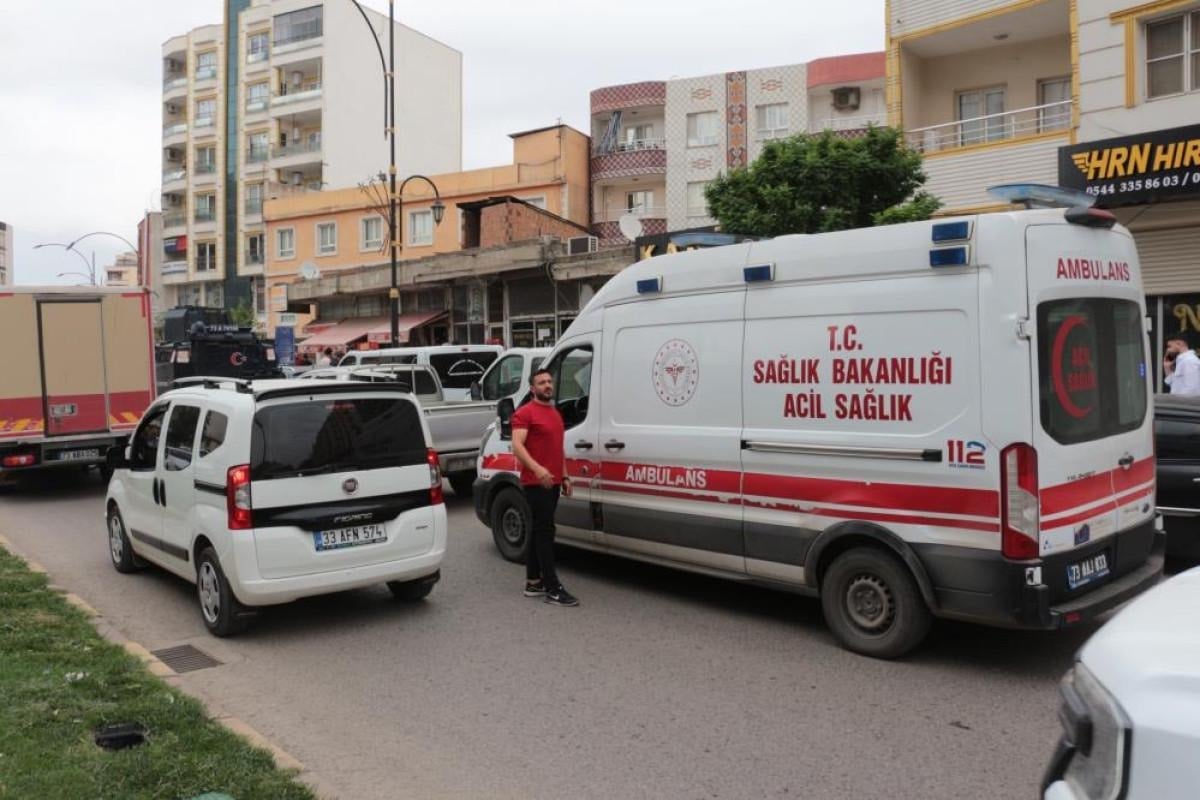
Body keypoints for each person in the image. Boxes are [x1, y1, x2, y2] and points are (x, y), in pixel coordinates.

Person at [510, 368, 578, 607]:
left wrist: (565, 476)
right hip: (536, 483)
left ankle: (533, 582)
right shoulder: (525, 413)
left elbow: (558, 448)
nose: (547, 385)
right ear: (532, 388)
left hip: (554, 481)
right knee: (545, 532)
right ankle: (552, 588)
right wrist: (538, 469)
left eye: (549, 381)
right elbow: (517, 446)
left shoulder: (555, 413)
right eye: (541, 382)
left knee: (540, 530)